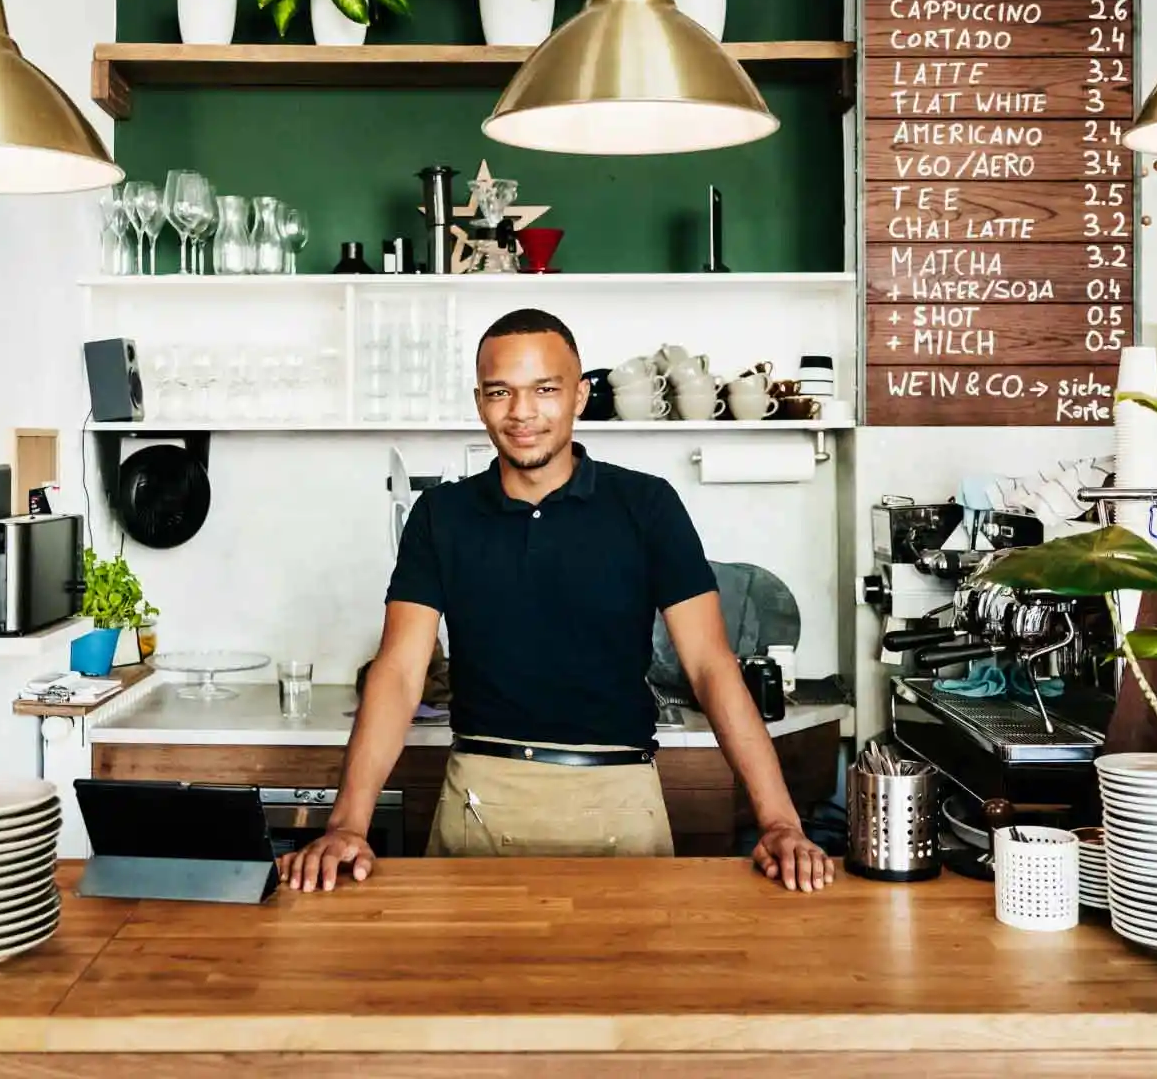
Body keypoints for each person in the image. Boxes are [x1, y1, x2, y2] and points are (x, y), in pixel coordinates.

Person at [280, 309, 833, 893]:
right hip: (480, 801)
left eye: (545, 389)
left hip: (622, 800)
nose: (522, 413)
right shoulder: (442, 515)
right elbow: (397, 673)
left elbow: (711, 666)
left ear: (579, 396)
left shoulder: (647, 505)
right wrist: (347, 824)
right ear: (479, 401)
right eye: (501, 392)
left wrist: (779, 822)